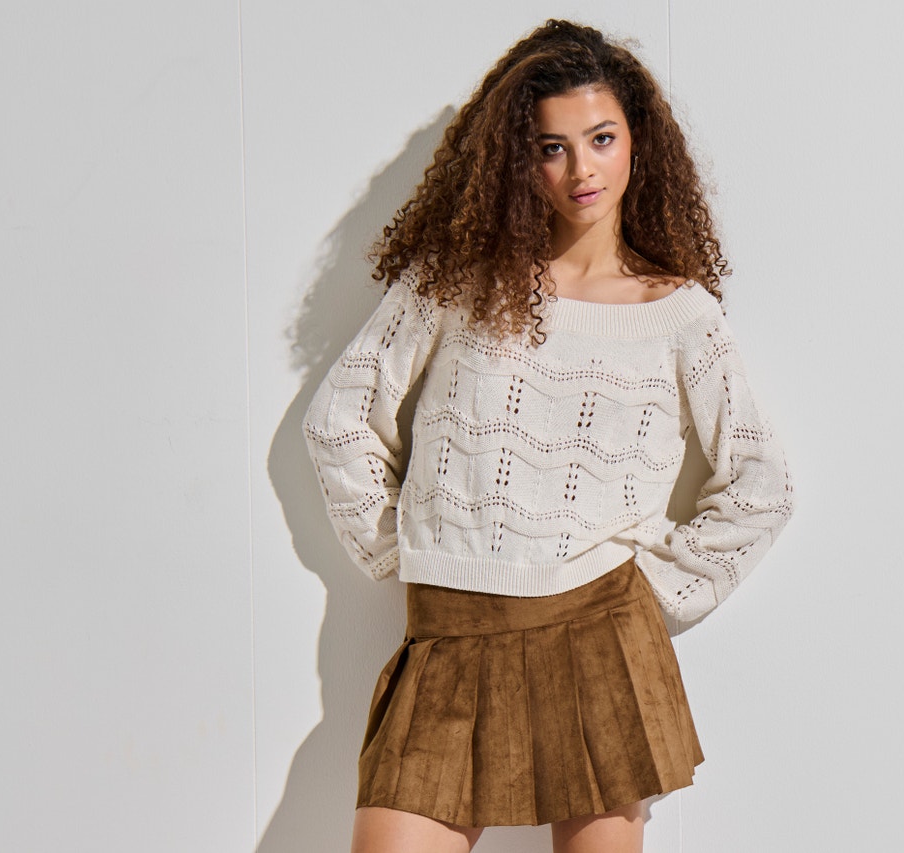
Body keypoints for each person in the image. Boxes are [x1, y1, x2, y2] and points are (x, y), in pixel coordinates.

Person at [304, 19, 794, 853]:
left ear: (637, 142)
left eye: (601, 139)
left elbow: (762, 484)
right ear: (517, 158)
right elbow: (339, 419)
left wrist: (646, 595)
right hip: (451, 637)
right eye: (551, 148)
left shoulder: (680, 316)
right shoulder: (455, 283)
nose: (581, 170)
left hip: (602, 638)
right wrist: (404, 550)